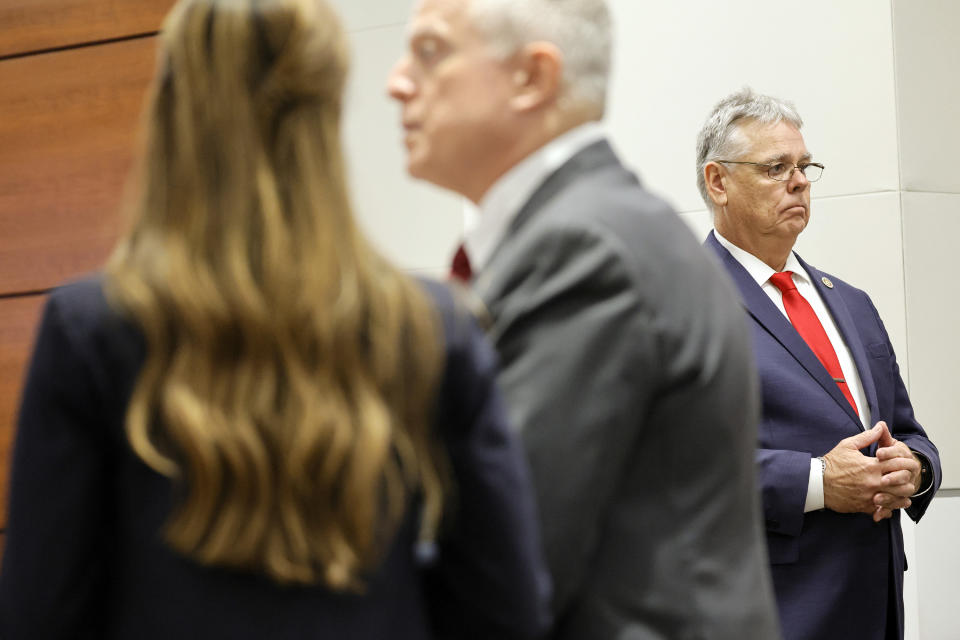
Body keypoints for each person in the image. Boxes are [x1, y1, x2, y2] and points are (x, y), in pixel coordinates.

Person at [0, 0, 551, 637]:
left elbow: (41, 614)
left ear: (174, 108)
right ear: (327, 108)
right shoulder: (432, 328)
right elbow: (504, 610)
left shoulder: (91, 329)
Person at [388, 2, 781, 638]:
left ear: (532, 78)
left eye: (430, 52)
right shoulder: (601, 226)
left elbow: (508, 560)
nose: (396, 80)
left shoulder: (583, 247)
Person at [698, 88, 942, 640]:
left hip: (874, 606)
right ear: (718, 182)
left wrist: (916, 469)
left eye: (805, 166)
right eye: (775, 167)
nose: (800, 181)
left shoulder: (849, 301)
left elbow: (906, 431)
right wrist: (816, 482)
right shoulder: (675, 300)